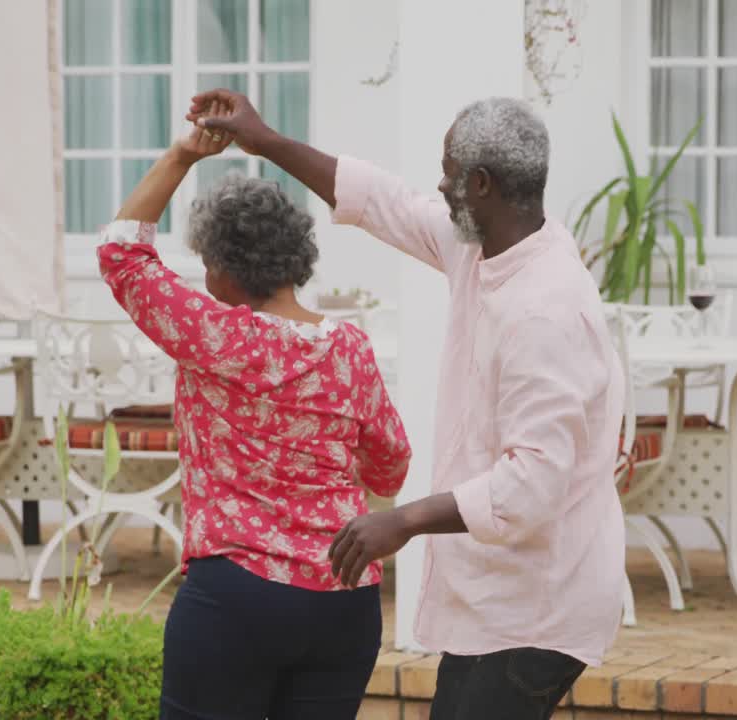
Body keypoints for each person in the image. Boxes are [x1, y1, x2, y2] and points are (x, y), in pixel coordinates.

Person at [189, 91, 628, 719]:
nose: (439, 184)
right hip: (500, 598)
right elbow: (386, 203)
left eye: (449, 171)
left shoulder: (547, 308)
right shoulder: (484, 243)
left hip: (537, 603)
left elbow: (534, 483)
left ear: (480, 184)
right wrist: (267, 142)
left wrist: (403, 520)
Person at [98, 102, 412, 720]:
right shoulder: (350, 348)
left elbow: (121, 254)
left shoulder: (214, 335)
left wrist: (183, 155)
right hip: (342, 599)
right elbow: (390, 467)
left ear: (223, 271)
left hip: (235, 596)